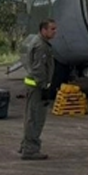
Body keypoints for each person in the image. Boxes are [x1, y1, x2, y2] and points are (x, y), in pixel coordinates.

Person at [19, 19, 58, 160]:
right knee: (35, 118)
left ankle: (25, 145)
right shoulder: (41, 46)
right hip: (37, 87)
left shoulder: (38, 42)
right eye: (52, 29)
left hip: (33, 86)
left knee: (31, 116)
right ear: (43, 30)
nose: (55, 32)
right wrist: (44, 86)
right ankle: (30, 149)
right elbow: (39, 69)